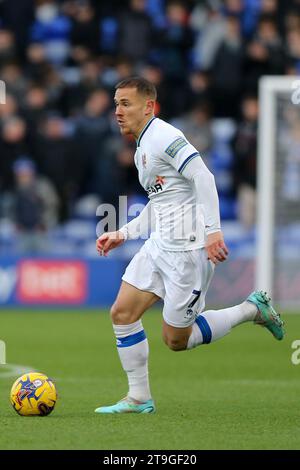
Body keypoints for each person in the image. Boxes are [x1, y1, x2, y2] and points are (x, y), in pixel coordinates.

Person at [95, 77, 285, 414]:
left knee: (175, 341)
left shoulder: (165, 137)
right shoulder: (142, 147)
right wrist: (122, 233)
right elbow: (161, 202)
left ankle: (252, 309)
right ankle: (139, 398)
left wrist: (213, 232)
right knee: (122, 312)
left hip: (188, 250)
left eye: (125, 104)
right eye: (116, 104)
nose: (118, 112)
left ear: (148, 106)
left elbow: (204, 177)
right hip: (159, 245)